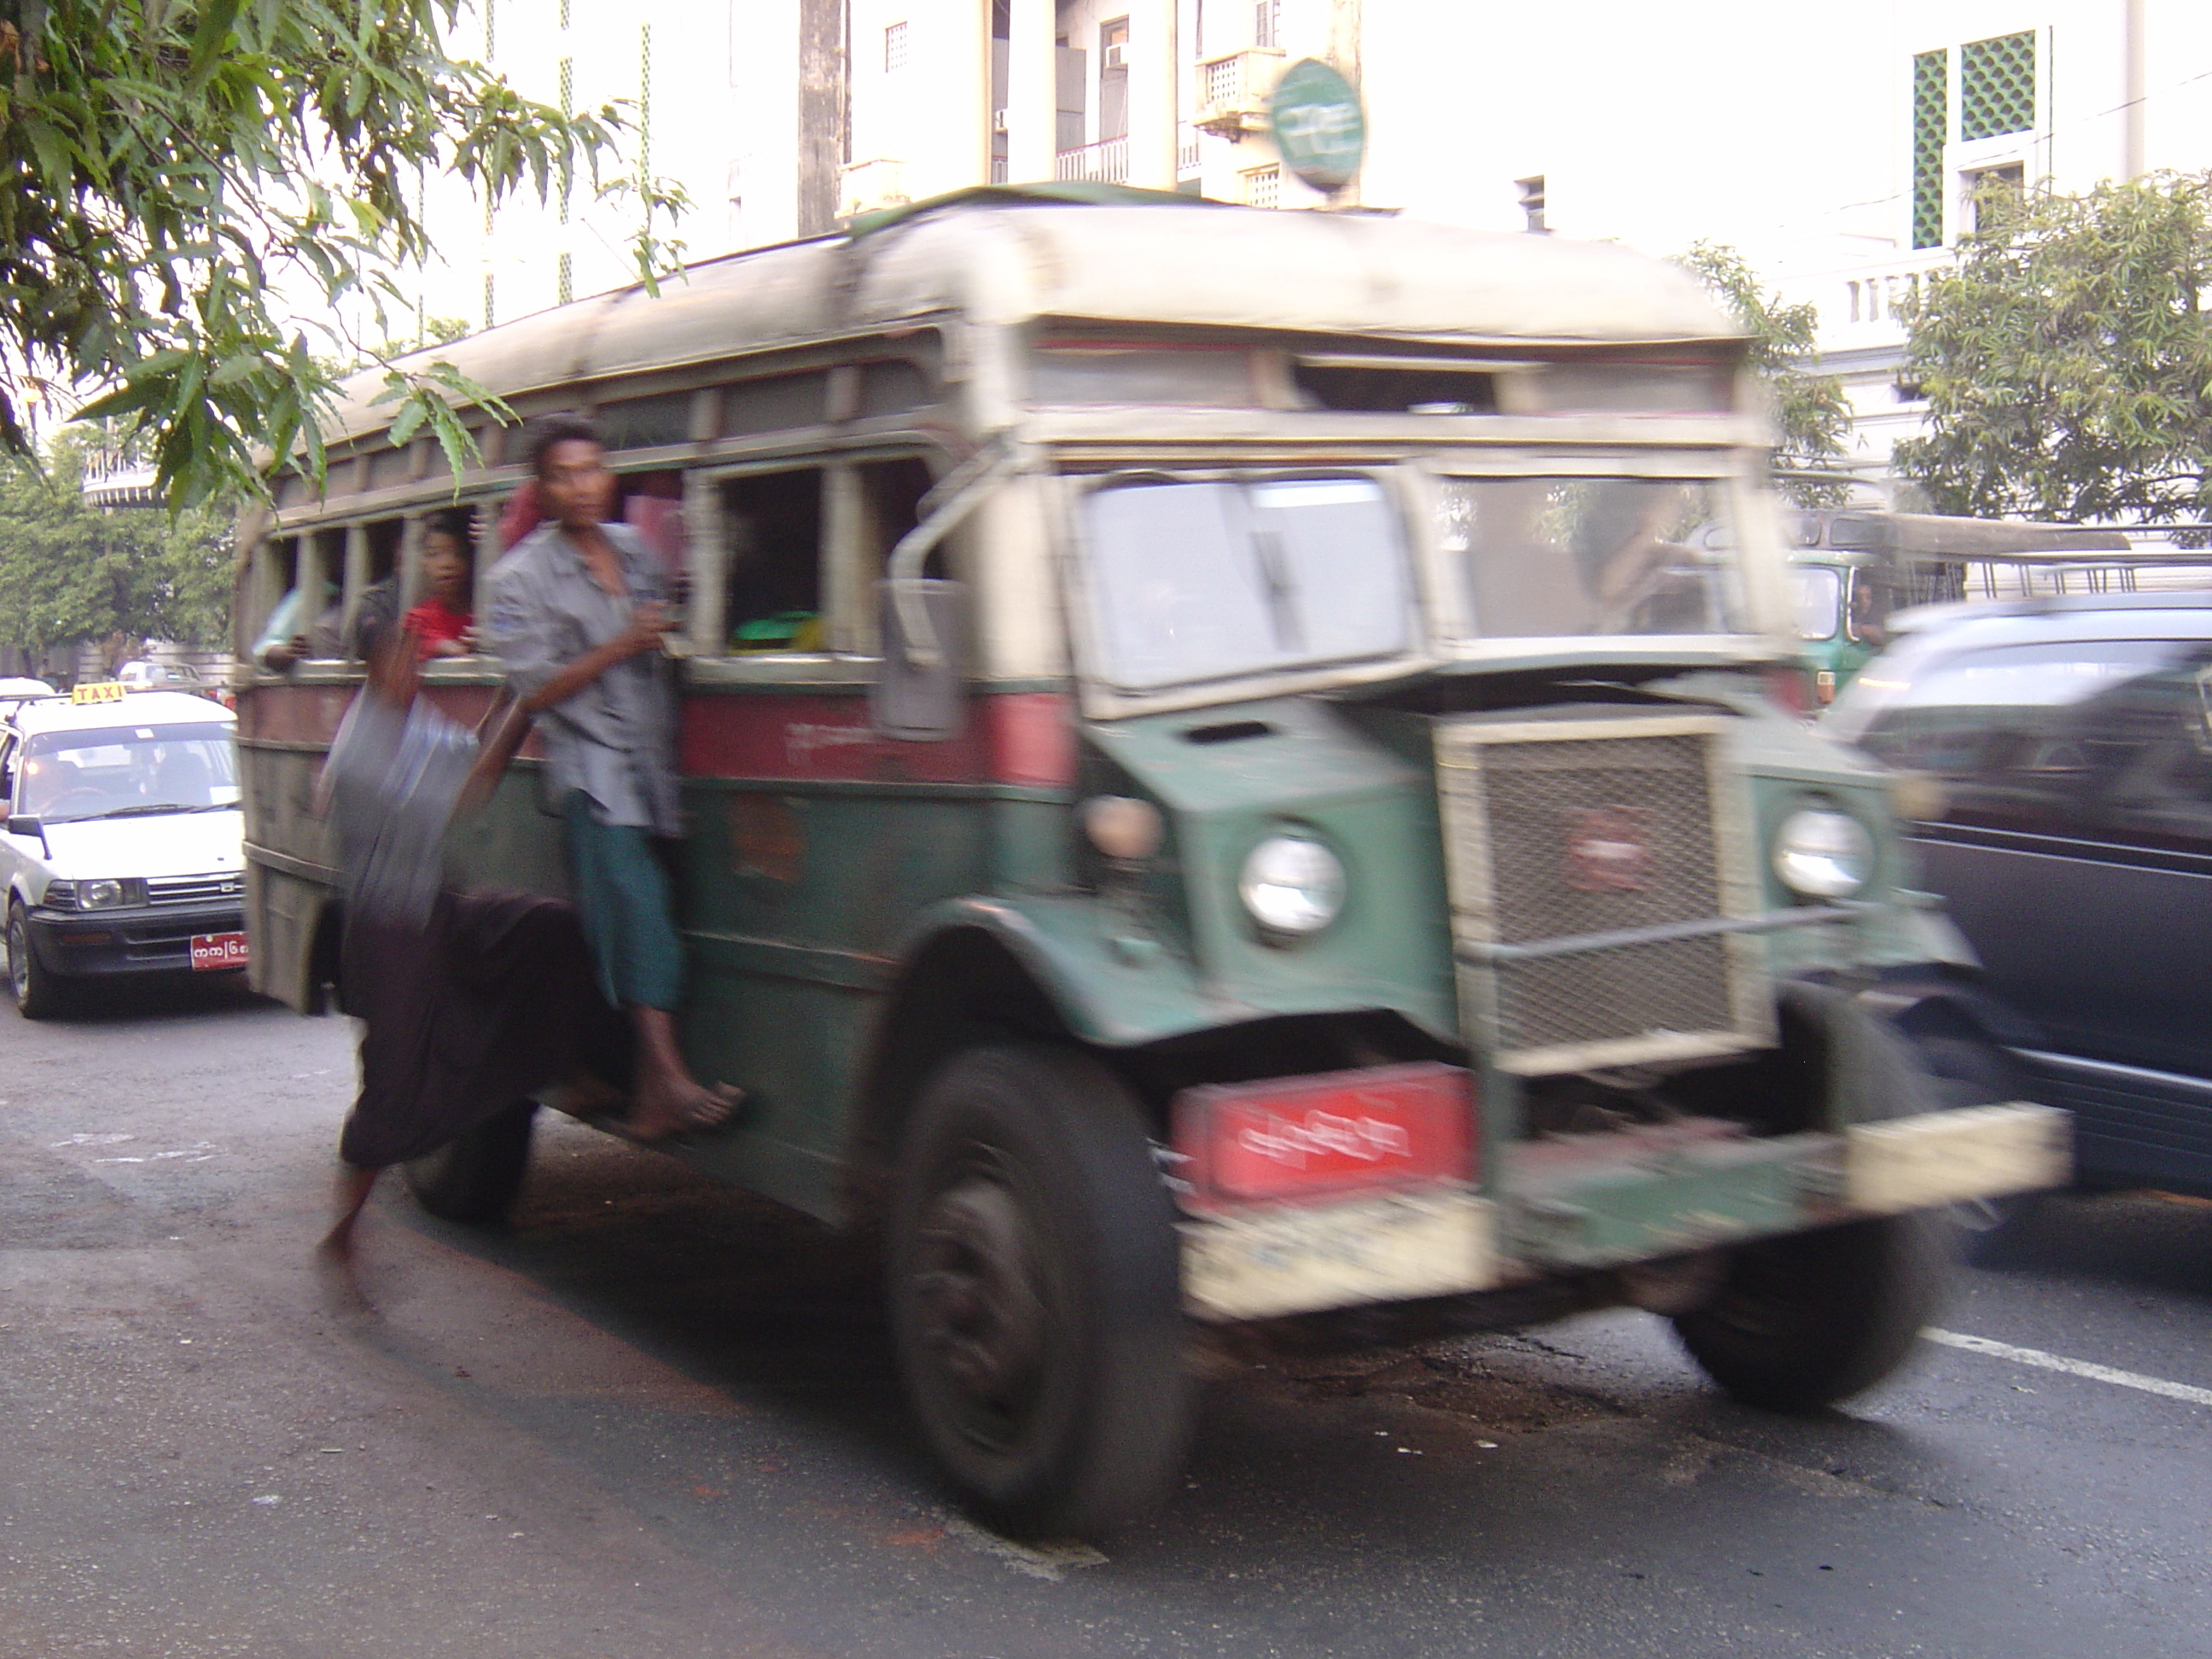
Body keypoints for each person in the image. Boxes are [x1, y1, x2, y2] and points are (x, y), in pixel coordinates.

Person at [316, 617, 620, 1272]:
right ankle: (343, 1231)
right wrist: (530, 705)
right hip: (387, 929)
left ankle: (574, 1071)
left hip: (434, 907)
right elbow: (472, 789)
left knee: (548, 930)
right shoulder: (363, 749)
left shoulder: (406, 712)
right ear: (373, 666)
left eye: (414, 656)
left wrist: (512, 691)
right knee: (392, 1089)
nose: (414, 668)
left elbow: (465, 751)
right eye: (402, 659)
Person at [481, 412, 739, 1143]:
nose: (582, 487)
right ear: (541, 486)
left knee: (656, 915)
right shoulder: (518, 579)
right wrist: (622, 644)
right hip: (594, 774)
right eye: (563, 475)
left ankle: (652, 1095)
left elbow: (669, 628)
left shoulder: (634, 550)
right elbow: (533, 688)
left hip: (656, 765)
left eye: (591, 470)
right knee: (638, 907)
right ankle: (669, 1078)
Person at [404, 508, 478, 659]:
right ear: (423, 562)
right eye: (434, 554)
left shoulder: (484, 610)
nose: (447, 564)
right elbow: (443, 647)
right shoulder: (418, 620)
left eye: (459, 554)